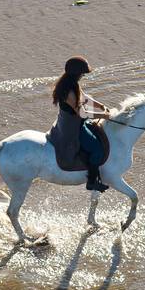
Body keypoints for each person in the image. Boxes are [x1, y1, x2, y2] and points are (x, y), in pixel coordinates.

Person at [47, 56, 114, 192]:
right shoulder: (68, 92)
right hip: (72, 128)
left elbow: (85, 98)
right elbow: (82, 114)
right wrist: (103, 115)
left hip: (76, 122)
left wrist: (100, 105)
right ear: (76, 74)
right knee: (97, 149)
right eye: (82, 73)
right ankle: (91, 182)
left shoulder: (73, 85)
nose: (83, 75)